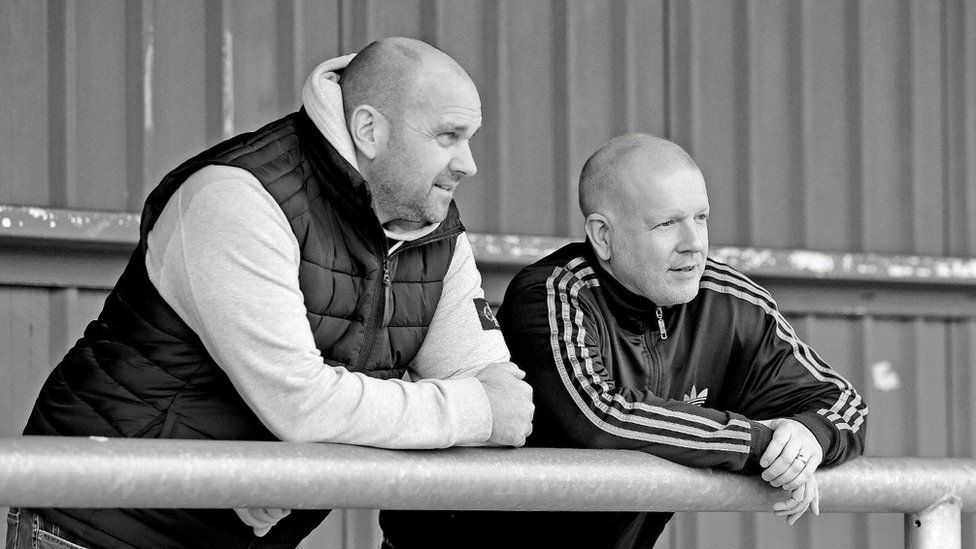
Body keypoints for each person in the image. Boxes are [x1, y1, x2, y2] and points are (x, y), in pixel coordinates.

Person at [7, 37, 533, 549]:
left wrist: (308, 463)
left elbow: (499, 396)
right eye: (448, 136)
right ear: (369, 129)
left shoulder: (430, 228)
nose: (469, 164)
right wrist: (308, 448)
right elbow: (305, 406)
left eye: (471, 138)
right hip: (100, 526)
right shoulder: (238, 198)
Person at [379, 134, 868, 549]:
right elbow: (601, 417)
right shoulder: (551, 294)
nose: (693, 242)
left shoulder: (731, 303)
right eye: (665, 224)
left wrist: (808, 437)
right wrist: (759, 443)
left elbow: (841, 403)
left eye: (701, 218)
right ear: (603, 236)